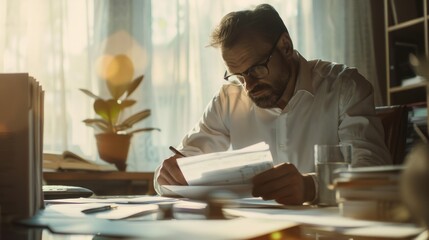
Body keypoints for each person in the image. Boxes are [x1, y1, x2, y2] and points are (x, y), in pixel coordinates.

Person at [154, 3, 391, 205]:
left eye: (256, 69)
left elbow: (372, 173)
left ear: (285, 46)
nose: (248, 86)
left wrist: (311, 187)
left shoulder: (344, 87)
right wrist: (168, 175)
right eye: (238, 75)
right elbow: (182, 163)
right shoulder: (229, 99)